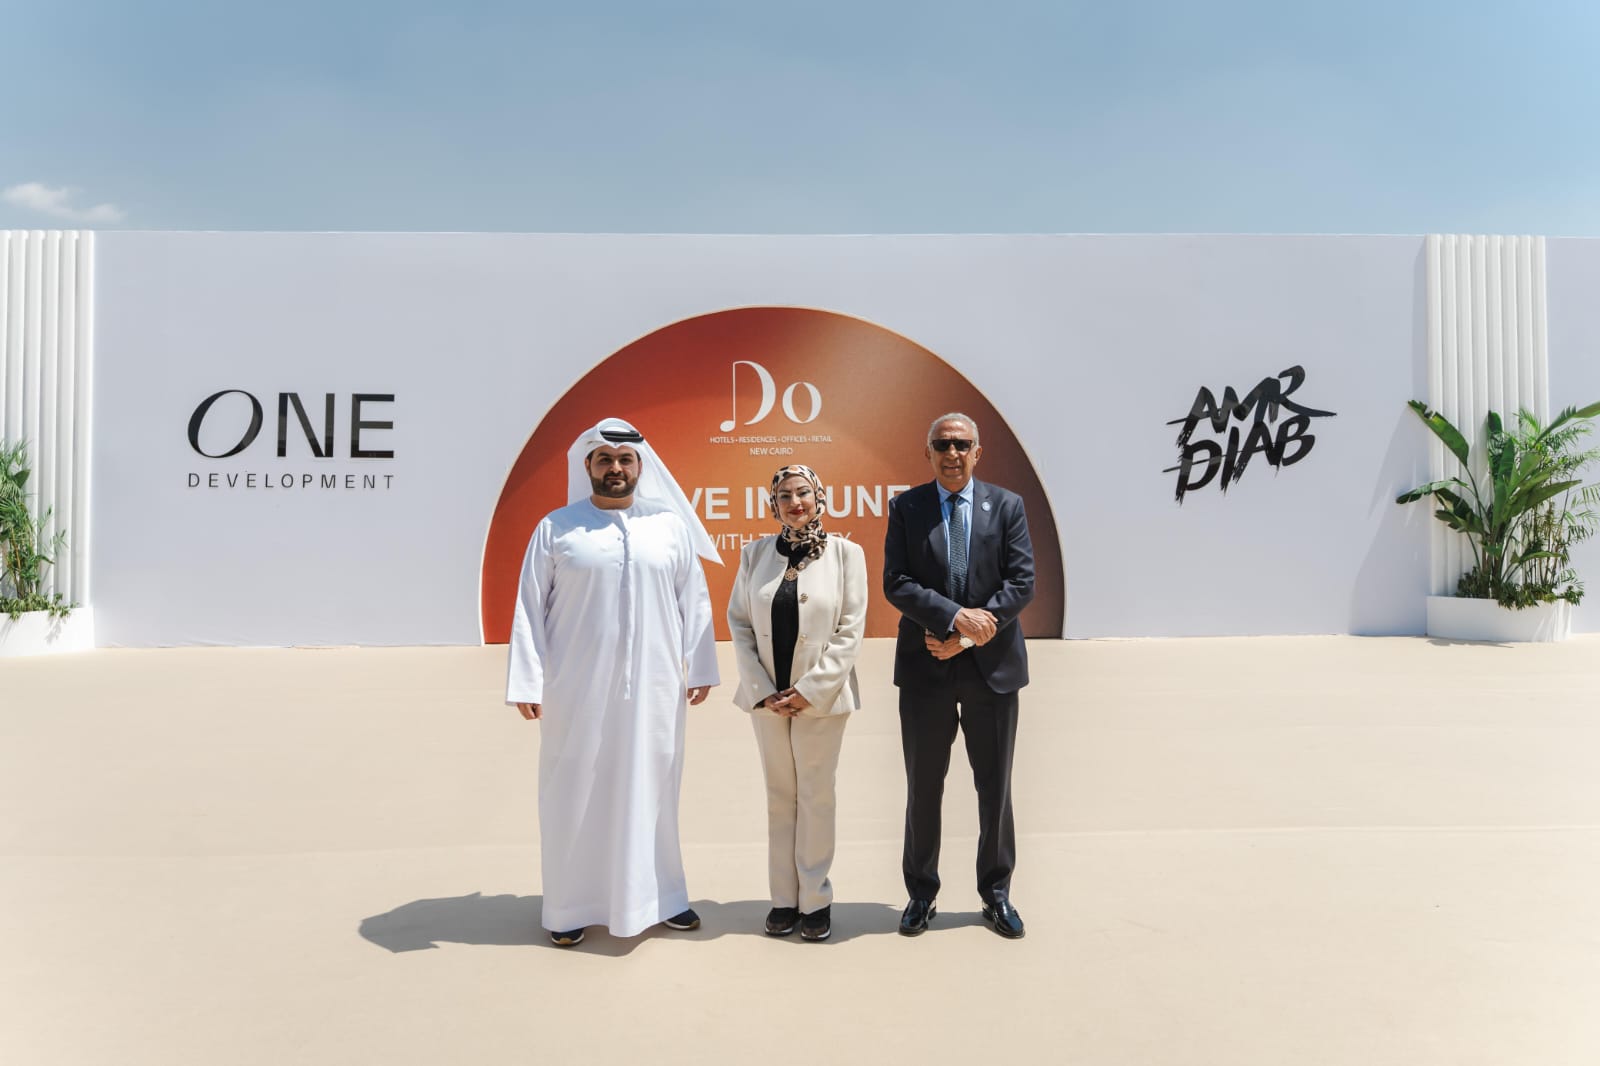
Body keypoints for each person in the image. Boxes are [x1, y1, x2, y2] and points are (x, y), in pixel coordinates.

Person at [505, 417, 720, 947]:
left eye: (625, 460)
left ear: (640, 467)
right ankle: (569, 907)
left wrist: (701, 667)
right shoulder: (556, 528)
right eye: (605, 460)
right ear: (588, 467)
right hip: (574, 688)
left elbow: (693, 601)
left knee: (654, 786)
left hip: (656, 687)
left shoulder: (668, 527)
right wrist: (527, 682)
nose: (615, 468)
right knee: (573, 789)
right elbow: (529, 608)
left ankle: (663, 899)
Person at [883, 412, 1035, 939]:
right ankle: (921, 893)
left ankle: (996, 893)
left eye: (962, 444)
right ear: (927, 452)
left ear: (978, 452)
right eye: (942, 444)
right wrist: (951, 618)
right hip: (925, 668)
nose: (952, 453)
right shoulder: (906, 507)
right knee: (924, 787)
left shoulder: (1008, 506)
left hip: (992, 672)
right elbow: (897, 582)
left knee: (995, 788)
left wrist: (967, 634)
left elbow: (1021, 582)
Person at [726, 464, 868, 943]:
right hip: (767, 699)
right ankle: (783, 900)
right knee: (778, 796)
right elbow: (739, 624)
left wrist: (810, 689)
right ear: (773, 504)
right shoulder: (754, 554)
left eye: (803, 493)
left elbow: (850, 631)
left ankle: (815, 901)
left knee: (815, 796)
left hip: (820, 700)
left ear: (819, 496)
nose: (795, 503)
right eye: (784, 495)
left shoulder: (847, 555)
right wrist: (762, 688)